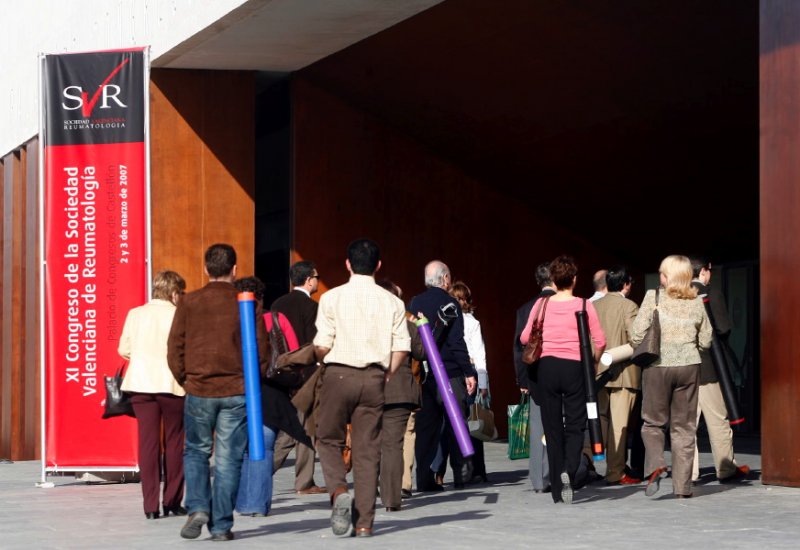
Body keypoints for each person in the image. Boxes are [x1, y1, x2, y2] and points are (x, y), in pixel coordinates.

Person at [167, 244, 268, 541]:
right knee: (227, 460)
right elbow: (261, 351)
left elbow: (175, 347)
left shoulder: (189, 302)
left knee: (196, 451)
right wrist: (252, 383)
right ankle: (221, 525)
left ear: (205, 269)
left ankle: (198, 506)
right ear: (234, 270)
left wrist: (186, 379)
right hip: (236, 390)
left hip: (199, 388)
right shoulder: (246, 302)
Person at [313, 238, 410, 538]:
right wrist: (386, 373)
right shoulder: (393, 302)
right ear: (378, 265)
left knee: (328, 438)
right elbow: (402, 347)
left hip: (338, 374)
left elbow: (322, 345)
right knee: (368, 450)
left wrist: (320, 358)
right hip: (374, 378)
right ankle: (365, 523)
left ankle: (339, 490)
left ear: (347, 264)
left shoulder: (331, 298)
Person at [520, 255, 606, 504]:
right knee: (576, 424)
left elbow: (525, 337)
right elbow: (600, 341)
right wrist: (593, 363)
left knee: (552, 427)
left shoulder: (541, 305)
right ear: (574, 279)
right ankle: (569, 468)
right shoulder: (584, 305)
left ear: (553, 280)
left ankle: (557, 489)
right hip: (574, 368)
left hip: (547, 368)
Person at [631, 254, 712, 499]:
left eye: (662, 273)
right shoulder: (697, 301)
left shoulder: (653, 297)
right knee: (684, 428)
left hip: (658, 366)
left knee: (652, 423)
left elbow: (636, 335)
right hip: (689, 367)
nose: (660, 276)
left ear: (668, 277)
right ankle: (683, 488)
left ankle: (656, 464)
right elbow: (706, 340)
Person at [233, 276, 310, 517]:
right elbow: (294, 354)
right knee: (264, 446)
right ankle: (256, 503)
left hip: (237, 390)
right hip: (272, 390)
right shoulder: (277, 319)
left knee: (242, 448)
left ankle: (243, 501)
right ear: (262, 297)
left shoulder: (231, 322)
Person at [118, 270, 187, 519]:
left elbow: (123, 349)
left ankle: (150, 506)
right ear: (174, 292)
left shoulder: (135, 314)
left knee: (148, 444)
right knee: (174, 442)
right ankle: (172, 500)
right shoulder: (179, 314)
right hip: (172, 384)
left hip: (140, 384)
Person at [410, 260, 477, 491]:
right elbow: (456, 342)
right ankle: (461, 475)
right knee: (456, 424)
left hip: (425, 376)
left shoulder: (415, 302)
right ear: (445, 279)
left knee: (426, 429)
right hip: (450, 374)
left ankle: (424, 477)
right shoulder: (451, 303)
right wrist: (468, 371)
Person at [688, 257, 750, 483]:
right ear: (704, 271)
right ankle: (725, 469)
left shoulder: (677, 295)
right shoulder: (711, 293)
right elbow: (723, 328)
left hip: (683, 368)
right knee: (717, 421)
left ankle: (689, 472)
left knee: (687, 426)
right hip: (710, 367)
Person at [271, 261, 326, 495]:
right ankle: (303, 482)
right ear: (308, 280)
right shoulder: (311, 307)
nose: (317, 281)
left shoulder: (277, 304)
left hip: (280, 373)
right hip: (305, 375)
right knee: (303, 427)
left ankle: (266, 473)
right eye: (316, 277)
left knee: (291, 426)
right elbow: (314, 344)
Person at [376, 279, 423, 511]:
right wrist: (422, 326)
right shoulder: (407, 326)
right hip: (400, 391)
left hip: (370, 389)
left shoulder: (367, 324)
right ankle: (391, 498)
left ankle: (371, 491)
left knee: (371, 444)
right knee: (393, 445)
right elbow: (422, 353)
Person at [593, 266, 641, 485]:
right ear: (626, 285)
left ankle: (588, 461)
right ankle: (615, 471)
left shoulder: (594, 306)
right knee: (619, 425)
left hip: (597, 373)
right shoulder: (629, 306)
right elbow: (636, 339)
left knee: (600, 420)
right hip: (623, 373)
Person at [514, 262, 556, 493]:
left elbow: (518, 349)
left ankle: (539, 479)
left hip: (534, 374)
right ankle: (554, 472)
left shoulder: (525, 309)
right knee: (558, 424)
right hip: (560, 371)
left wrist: (522, 381)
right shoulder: (563, 304)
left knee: (538, 426)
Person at [450, 280, 489, 483]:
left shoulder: (466, 322)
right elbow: (480, 354)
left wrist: (482, 382)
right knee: (472, 422)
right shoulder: (471, 322)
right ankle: (476, 469)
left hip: (461, 371)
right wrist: (482, 383)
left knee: (465, 421)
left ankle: (469, 468)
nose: (461, 302)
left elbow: (480, 354)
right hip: (469, 369)